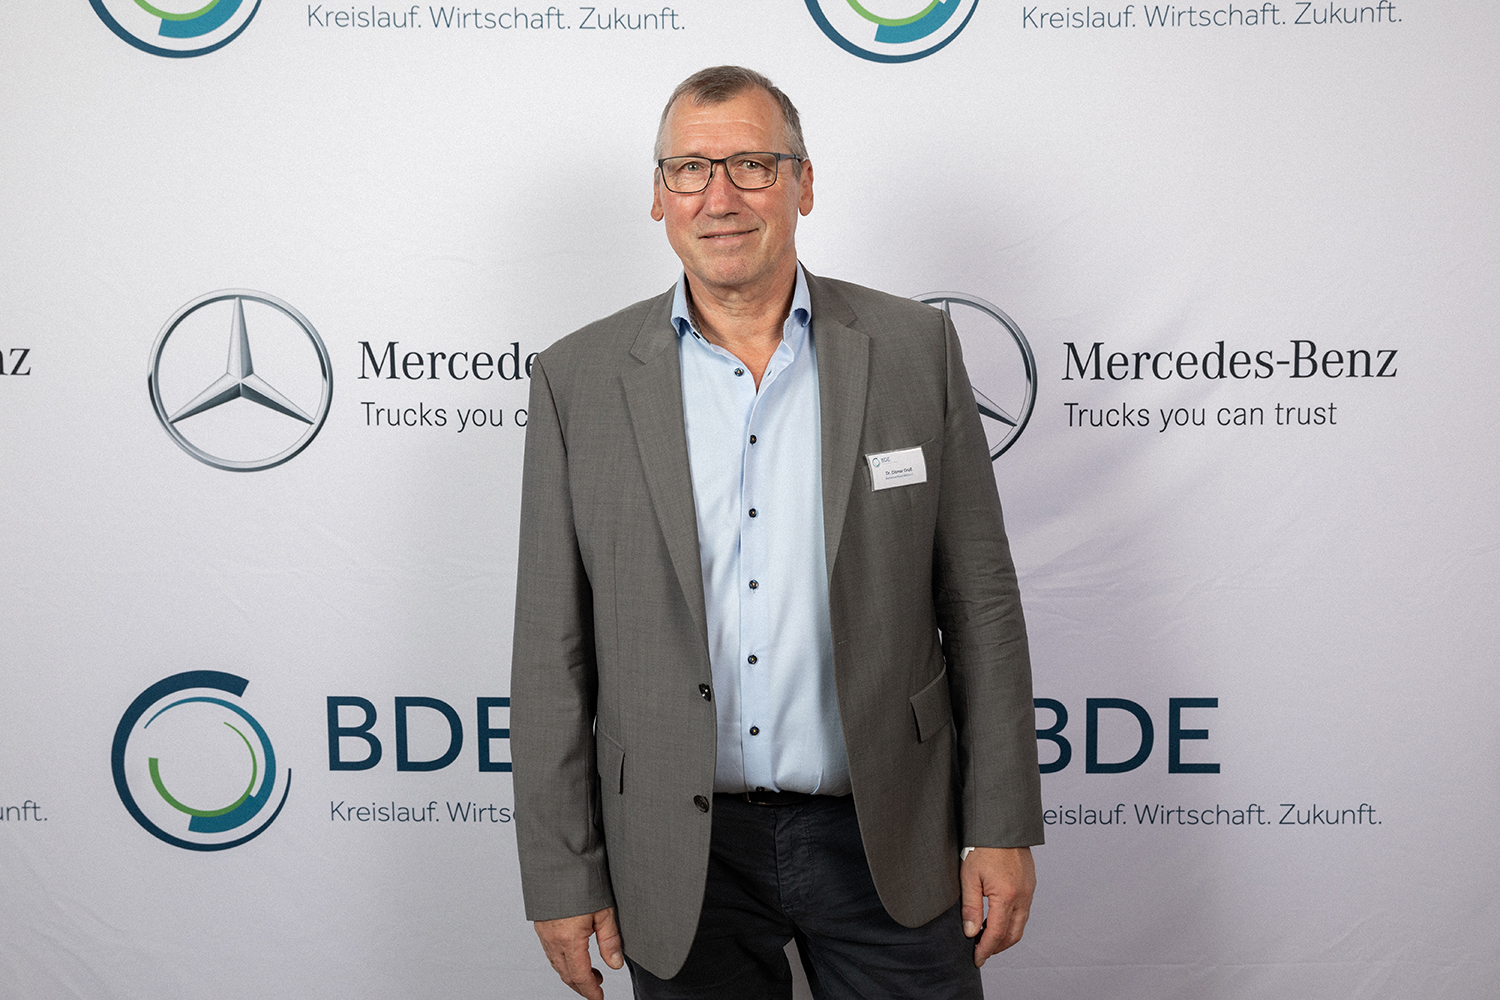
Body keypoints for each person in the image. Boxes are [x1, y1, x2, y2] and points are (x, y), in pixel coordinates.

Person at [511, 66, 1043, 1000]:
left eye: (752, 165)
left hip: (887, 831)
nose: (719, 197)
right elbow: (551, 651)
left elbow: (981, 603)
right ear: (658, 195)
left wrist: (999, 823)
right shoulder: (577, 380)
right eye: (690, 169)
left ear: (804, 183)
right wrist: (562, 872)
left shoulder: (914, 349)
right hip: (679, 851)